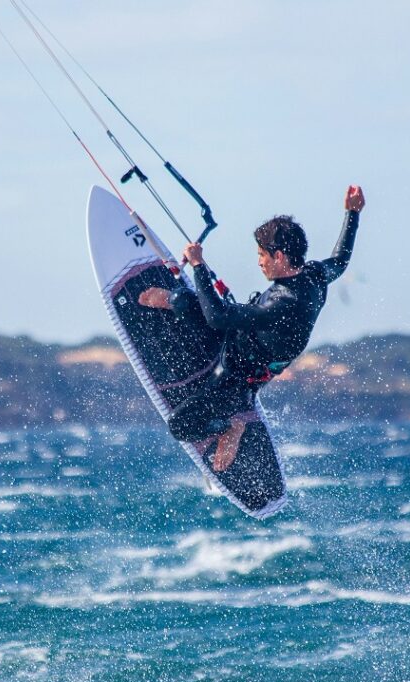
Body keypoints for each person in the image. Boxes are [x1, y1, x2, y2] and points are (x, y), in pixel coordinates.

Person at [138, 184, 365, 471]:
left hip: (239, 376)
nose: (259, 262)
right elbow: (341, 261)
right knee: (183, 300)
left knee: (181, 426)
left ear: (279, 257)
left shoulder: (285, 302)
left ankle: (230, 427)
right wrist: (352, 213)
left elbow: (217, 318)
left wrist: (198, 266)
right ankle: (173, 300)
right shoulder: (314, 275)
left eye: (262, 255)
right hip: (237, 338)